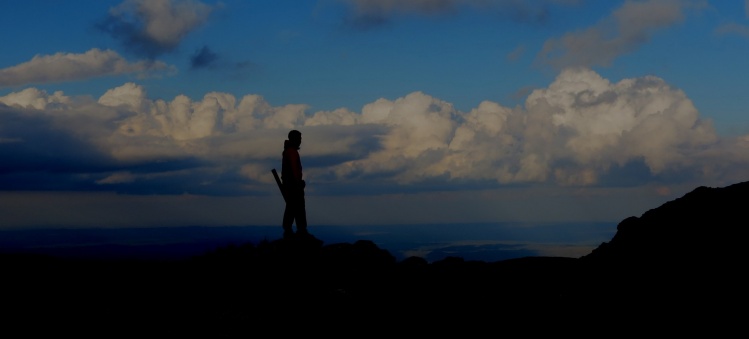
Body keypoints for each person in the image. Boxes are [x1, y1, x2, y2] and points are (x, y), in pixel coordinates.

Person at [281, 130, 309, 238]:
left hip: (290, 185)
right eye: (299, 138)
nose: (300, 140)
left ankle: (291, 229)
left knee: (292, 207)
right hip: (293, 186)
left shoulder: (288, 151)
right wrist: (298, 183)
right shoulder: (292, 152)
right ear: (294, 139)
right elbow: (294, 169)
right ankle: (300, 230)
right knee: (297, 207)